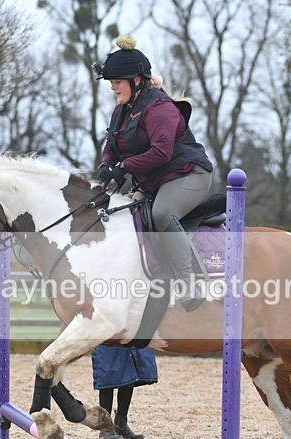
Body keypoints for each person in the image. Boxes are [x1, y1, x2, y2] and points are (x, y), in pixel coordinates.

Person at [93, 35, 214, 312]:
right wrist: (106, 165)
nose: (113, 87)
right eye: (111, 82)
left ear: (136, 81)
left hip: (188, 174)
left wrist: (124, 167)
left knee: (162, 214)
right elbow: (111, 145)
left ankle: (189, 282)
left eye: (117, 82)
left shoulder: (160, 108)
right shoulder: (121, 111)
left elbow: (162, 153)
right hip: (155, 180)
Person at [92, 344, 158, 439]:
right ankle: (105, 428)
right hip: (107, 335)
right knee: (107, 376)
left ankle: (121, 424)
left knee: (129, 374)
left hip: (127, 333)